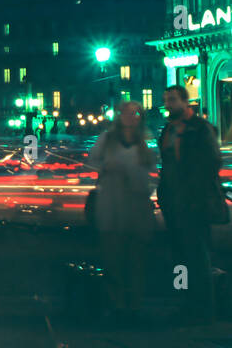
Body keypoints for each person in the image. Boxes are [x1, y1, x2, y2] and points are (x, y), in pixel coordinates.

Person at [86, 101, 157, 325]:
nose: (129, 116)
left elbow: (154, 168)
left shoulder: (146, 138)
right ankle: (117, 304)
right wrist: (107, 169)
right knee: (113, 259)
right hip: (112, 204)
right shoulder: (107, 138)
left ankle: (134, 305)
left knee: (136, 259)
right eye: (125, 112)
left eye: (134, 113)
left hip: (136, 204)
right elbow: (92, 162)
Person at [157, 84, 222, 325]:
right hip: (173, 204)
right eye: (166, 100)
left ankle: (203, 308)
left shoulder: (201, 129)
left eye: (172, 100)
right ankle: (183, 302)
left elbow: (211, 163)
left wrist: (193, 192)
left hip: (194, 204)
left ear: (185, 102)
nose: (168, 104)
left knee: (198, 258)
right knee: (179, 259)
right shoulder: (168, 129)